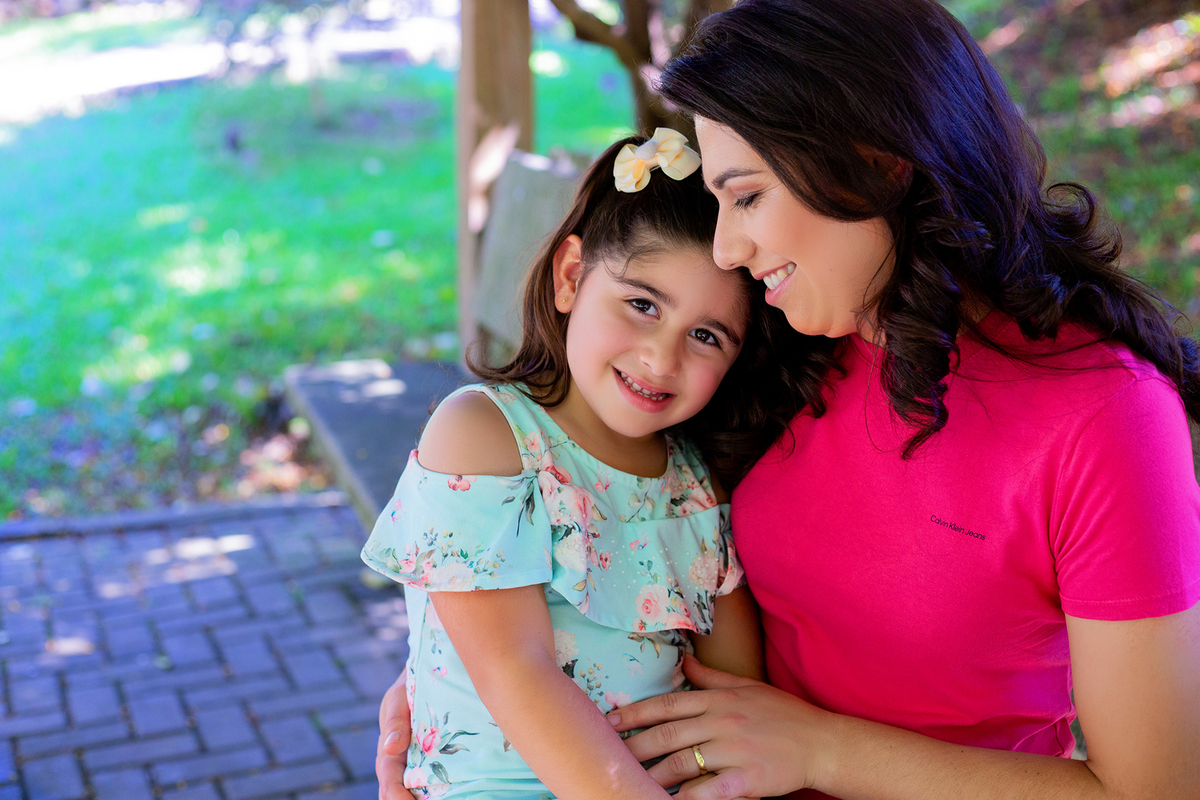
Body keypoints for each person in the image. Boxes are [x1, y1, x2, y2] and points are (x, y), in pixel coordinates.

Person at [377, 1, 1200, 798]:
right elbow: (608, 527)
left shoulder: (1104, 416)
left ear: (875, 164)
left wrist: (820, 750)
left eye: (747, 195)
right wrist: (460, 694)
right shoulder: (788, 344)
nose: (730, 248)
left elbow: (1158, 790)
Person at [361, 129, 797, 799]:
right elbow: (516, 668)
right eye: (643, 305)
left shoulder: (694, 488)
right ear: (571, 277)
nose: (660, 357)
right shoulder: (484, 436)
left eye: (706, 336)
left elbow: (733, 690)